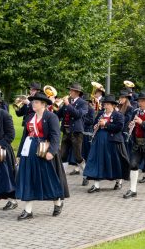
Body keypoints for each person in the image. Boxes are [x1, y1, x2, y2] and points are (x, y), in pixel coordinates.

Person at [15, 91, 69, 220]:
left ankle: (57, 203)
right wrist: (19, 154)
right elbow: (24, 137)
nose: (33, 104)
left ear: (43, 104)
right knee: (29, 179)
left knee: (48, 179)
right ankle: (28, 211)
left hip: (45, 153)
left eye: (36, 102)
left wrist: (52, 151)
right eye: (33, 101)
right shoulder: (29, 117)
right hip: (29, 153)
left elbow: (56, 136)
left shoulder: (51, 117)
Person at [84, 95, 130, 193]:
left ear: (113, 105)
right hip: (99, 142)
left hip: (113, 142)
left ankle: (118, 181)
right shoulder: (100, 114)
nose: (106, 106)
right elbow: (94, 124)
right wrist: (96, 126)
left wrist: (106, 124)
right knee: (97, 161)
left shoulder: (119, 115)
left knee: (115, 162)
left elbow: (119, 127)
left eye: (108, 104)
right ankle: (96, 185)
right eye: (105, 104)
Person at [56, 82, 88, 176]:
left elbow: (78, 114)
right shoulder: (67, 101)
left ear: (77, 92)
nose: (70, 92)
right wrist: (55, 104)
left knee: (78, 156)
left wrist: (67, 104)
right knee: (63, 155)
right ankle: (62, 177)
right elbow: (58, 114)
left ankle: (86, 175)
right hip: (66, 131)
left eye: (72, 90)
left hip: (76, 133)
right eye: (70, 90)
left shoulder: (83, 103)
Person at [80, 96, 96, 186]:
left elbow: (91, 121)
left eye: (86, 101)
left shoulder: (91, 110)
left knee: (88, 156)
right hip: (80, 134)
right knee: (81, 156)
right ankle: (85, 176)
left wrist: (81, 118)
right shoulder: (81, 109)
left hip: (88, 134)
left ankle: (87, 176)